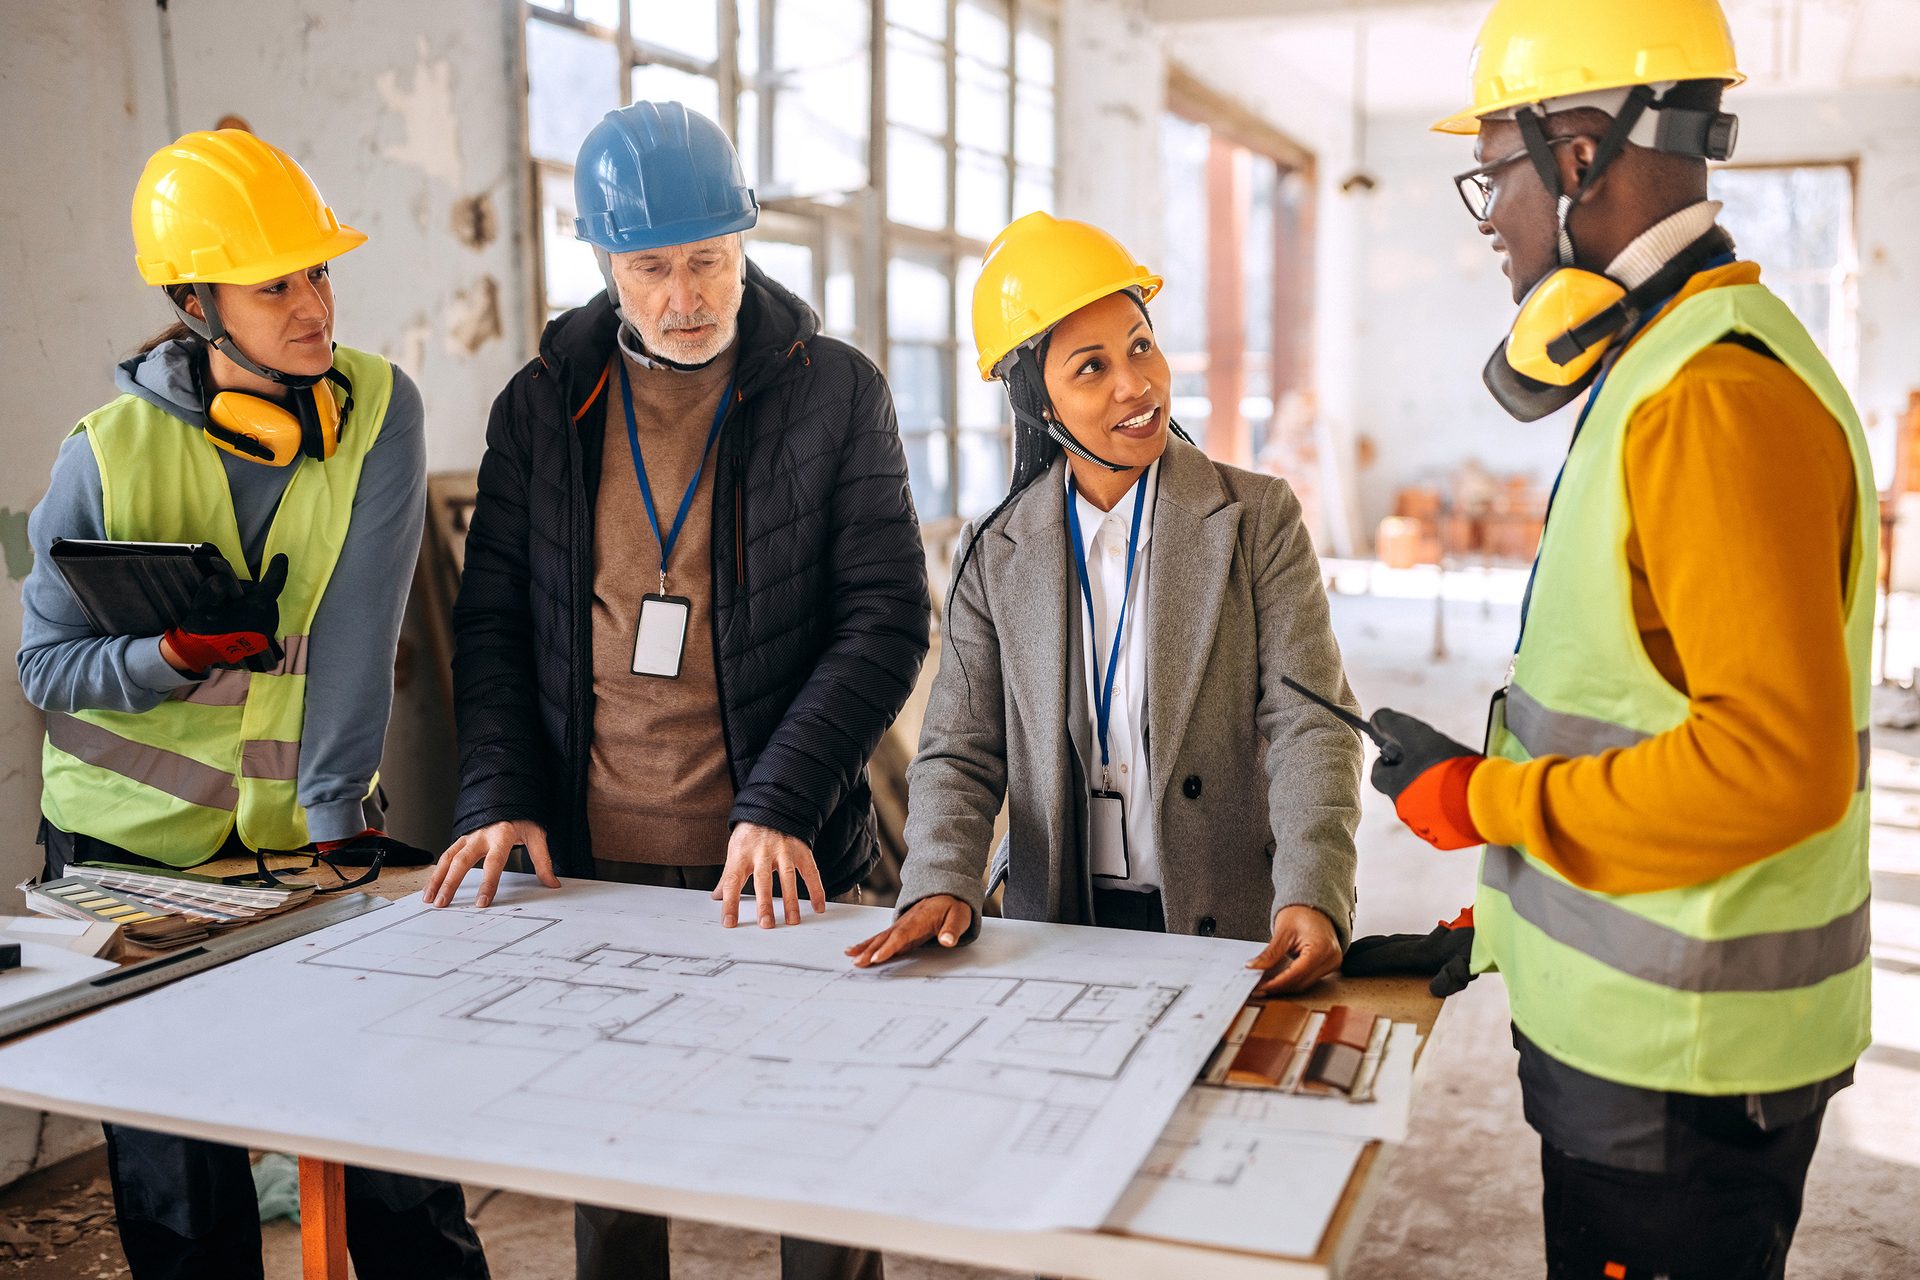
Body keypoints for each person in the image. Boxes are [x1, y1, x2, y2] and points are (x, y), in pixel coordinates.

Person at [1362, 3, 1876, 1276]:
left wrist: (1488, 796)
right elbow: (1639, 700)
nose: (1492, 218)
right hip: (1653, 1038)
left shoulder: (1711, 396)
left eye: (1497, 173)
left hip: (1678, 1067)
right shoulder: (1673, 360)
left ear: (1579, 153)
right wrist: (1503, 916)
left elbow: (1770, 765)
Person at [427, 100, 927, 1280]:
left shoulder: (835, 391)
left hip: (788, 852)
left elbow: (887, 614)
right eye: (652, 265)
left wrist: (782, 801)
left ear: (746, 241)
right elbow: (491, 623)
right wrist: (499, 790)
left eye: (708, 257)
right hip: (594, 860)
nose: (685, 294)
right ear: (604, 261)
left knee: (825, 1150)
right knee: (615, 1153)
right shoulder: (540, 405)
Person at [16, 130, 488, 1279]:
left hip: (309, 846)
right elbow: (45, 669)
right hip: (125, 864)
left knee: (396, 1164)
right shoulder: (107, 456)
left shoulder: (376, 410)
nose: (313, 305)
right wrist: (162, 657)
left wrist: (338, 826)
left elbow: (363, 637)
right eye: (274, 282)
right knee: (183, 1201)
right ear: (195, 301)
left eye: (319, 272)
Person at [847, 211, 1360, 990]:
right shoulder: (994, 552)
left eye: (1141, 346)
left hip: (1231, 924)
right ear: (1039, 403)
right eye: (1091, 367)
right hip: (1055, 931)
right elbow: (960, 749)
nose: (1136, 384)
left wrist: (1314, 891)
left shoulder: (1256, 520)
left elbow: (1311, 723)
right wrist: (940, 878)